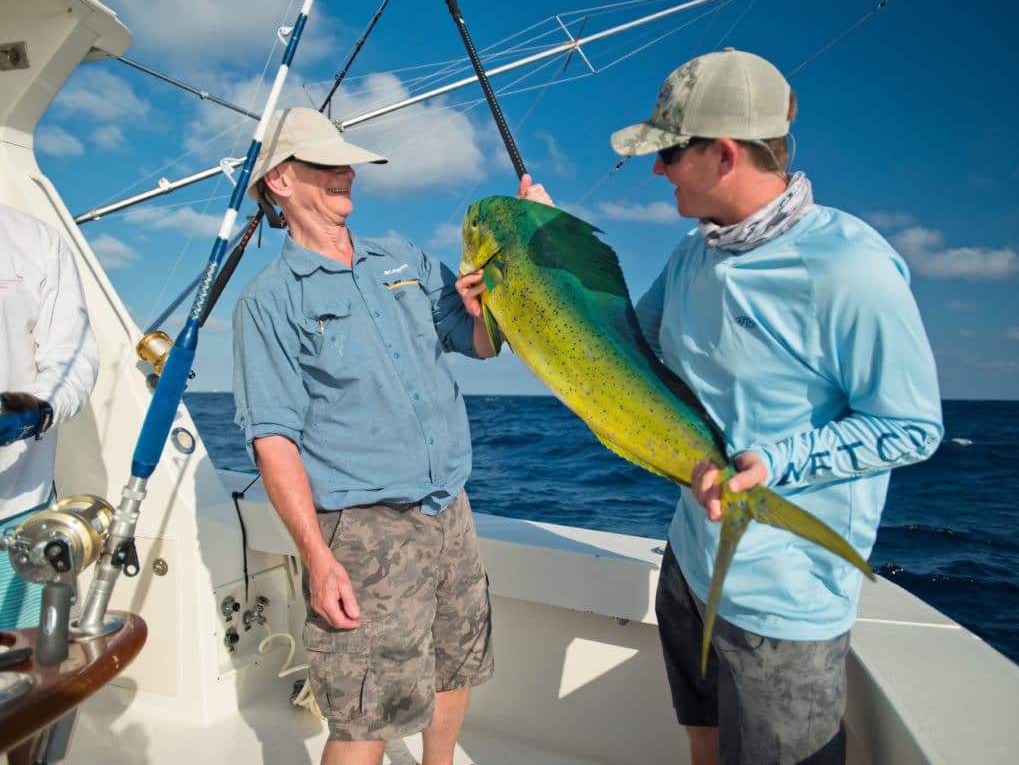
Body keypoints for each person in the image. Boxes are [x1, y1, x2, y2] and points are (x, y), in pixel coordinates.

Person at [609, 49, 944, 764]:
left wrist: (780, 462)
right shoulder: (690, 257)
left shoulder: (852, 267)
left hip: (786, 606)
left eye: (669, 152)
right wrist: (543, 257)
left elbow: (913, 427)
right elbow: (630, 353)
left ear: (724, 153)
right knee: (703, 745)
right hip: (690, 565)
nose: (657, 171)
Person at [232, 106, 548, 765]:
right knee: (362, 714)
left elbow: (481, 342)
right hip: (363, 528)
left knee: (455, 666)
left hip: (449, 508)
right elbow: (274, 439)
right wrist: (319, 558)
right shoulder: (268, 301)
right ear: (282, 182)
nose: (347, 173)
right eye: (326, 163)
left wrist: (517, 262)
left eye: (347, 161)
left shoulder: (400, 257)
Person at [0, 203, 99, 630]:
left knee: (31, 683)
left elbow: (71, 358)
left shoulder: (35, 239)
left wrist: (32, 412)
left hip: (19, 513)